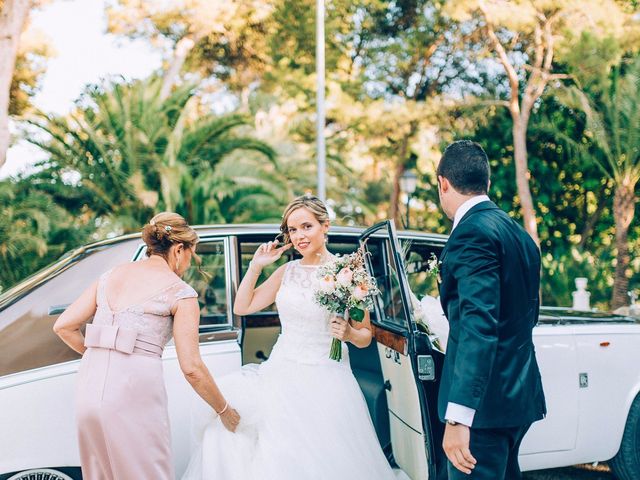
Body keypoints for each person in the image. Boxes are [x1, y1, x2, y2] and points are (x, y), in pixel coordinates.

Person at [182, 194, 397, 480]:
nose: (298, 236)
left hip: (326, 378)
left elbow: (365, 336)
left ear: (325, 226)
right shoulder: (287, 271)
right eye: (292, 230)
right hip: (281, 373)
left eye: (306, 227)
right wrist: (257, 266)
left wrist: (347, 332)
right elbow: (242, 306)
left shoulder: (350, 273)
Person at [53, 212, 240, 480]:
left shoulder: (109, 276)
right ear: (178, 249)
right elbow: (192, 368)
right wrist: (224, 410)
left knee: (101, 473)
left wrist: (98, 354)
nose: (189, 263)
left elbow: (63, 326)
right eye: (191, 254)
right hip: (134, 391)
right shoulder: (181, 293)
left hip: (89, 386)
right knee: (147, 471)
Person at [435, 140, 547, 480]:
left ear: (443, 183)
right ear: (486, 183)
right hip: (517, 400)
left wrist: (458, 418)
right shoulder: (520, 235)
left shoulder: (471, 234)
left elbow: (477, 326)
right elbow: (528, 316)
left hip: (482, 412)